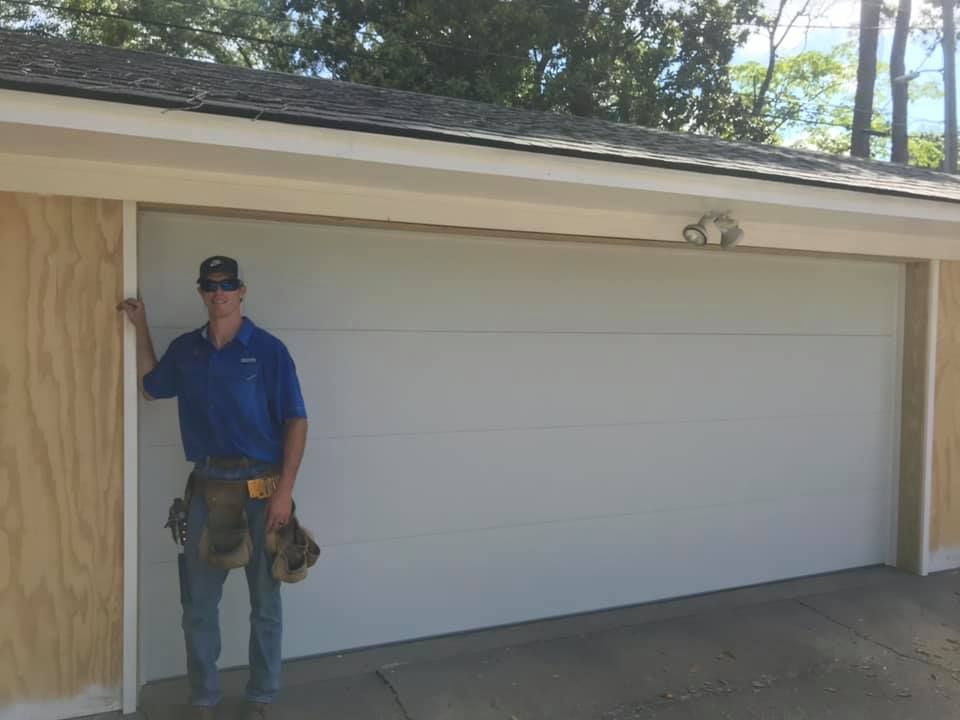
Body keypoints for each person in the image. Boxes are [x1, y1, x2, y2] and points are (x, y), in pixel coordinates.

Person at [118, 255, 309, 720]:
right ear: (201, 292)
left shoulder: (268, 350)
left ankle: (261, 696)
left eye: (227, 284)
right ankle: (203, 699)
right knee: (198, 606)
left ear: (242, 291)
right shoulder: (187, 350)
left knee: (265, 603)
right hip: (207, 492)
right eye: (210, 285)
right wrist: (141, 325)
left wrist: (285, 491)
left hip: (263, 494)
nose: (218, 292)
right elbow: (150, 387)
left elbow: (296, 420)